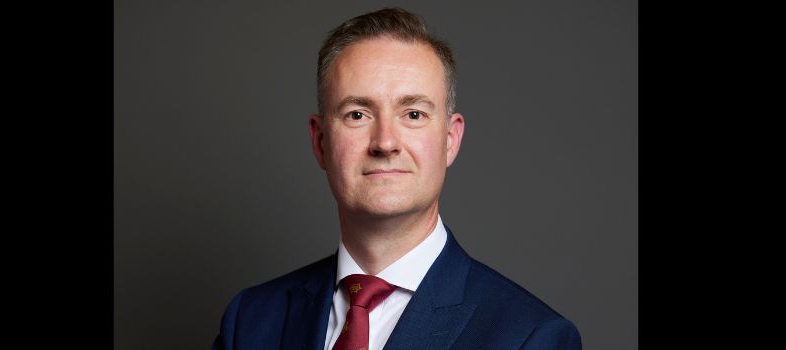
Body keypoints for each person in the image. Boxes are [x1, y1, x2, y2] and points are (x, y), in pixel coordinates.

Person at [213, 7, 581, 350]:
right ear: (320, 141)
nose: (385, 142)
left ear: (450, 140)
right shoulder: (249, 320)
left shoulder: (530, 337)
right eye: (357, 114)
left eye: (414, 114)